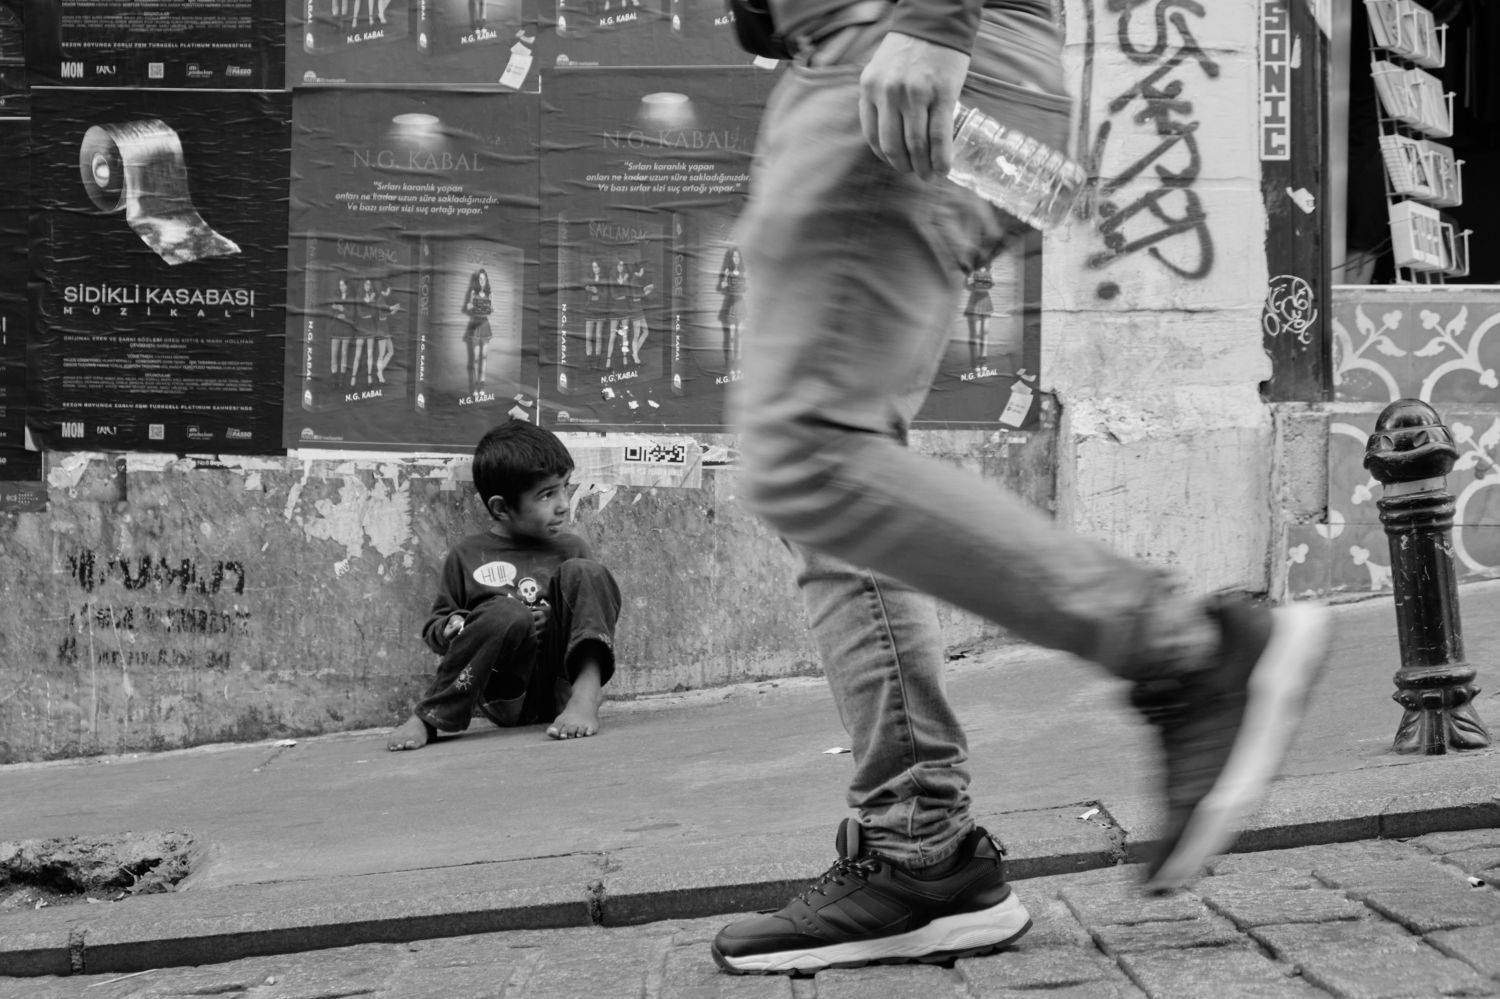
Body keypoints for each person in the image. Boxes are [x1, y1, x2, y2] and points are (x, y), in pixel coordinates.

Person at [711, 0, 1332, 977]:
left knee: (808, 456)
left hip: (895, 45)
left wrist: (934, 22)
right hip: (852, 55)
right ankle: (920, 850)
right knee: (838, 473)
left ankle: (1187, 649)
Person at [387, 420, 622, 752]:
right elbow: (435, 627)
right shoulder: (467, 555)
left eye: (565, 487)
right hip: (506, 692)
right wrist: (454, 626)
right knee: (505, 612)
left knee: (588, 572)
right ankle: (432, 716)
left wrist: (554, 618)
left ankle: (586, 695)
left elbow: (587, 617)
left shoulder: (572, 550)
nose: (563, 504)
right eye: (547, 494)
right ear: (501, 507)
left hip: (562, 687)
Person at [464, 267, 493, 394]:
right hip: (475, 325)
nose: (482, 281)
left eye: (484, 279)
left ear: (486, 280)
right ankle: (476, 385)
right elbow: (468, 306)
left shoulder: (489, 293)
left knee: (484, 357)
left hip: (485, 325)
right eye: (480, 279)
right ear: (477, 280)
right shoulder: (473, 292)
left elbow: (491, 308)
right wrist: (471, 306)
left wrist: (492, 309)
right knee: (475, 358)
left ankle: (482, 384)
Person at [715, 247, 744, 368]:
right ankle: (729, 360)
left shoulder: (742, 272)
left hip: (740, 304)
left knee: (739, 333)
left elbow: (745, 287)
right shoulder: (727, 272)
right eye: (734, 256)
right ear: (731, 258)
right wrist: (725, 280)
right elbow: (720, 287)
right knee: (730, 335)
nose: (736, 259)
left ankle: (738, 360)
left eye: (738, 256)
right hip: (730, 304)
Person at [963, 261, 993, 367]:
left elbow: (990, 284)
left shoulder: (988, 270)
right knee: (975, 333)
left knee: (985, 331)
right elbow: (968, 285)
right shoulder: (973, 271)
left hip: (986, 301)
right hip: (975, 302)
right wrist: (971, 280)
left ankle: (983, 357)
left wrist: (982, 284)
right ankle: (975, 359)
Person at [584, 259, 606, 365]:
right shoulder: (589, 278)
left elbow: (606, 296)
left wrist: (597, 291)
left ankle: (597, 358)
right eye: (593, 267)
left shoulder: (604, 279)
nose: (595, 269)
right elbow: (585, 289)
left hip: (600, 311)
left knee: (598, 336)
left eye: (596, 267)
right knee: (588, 336)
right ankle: (589, 358)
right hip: (590, 311)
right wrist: (587, 289)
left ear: (600, 267)